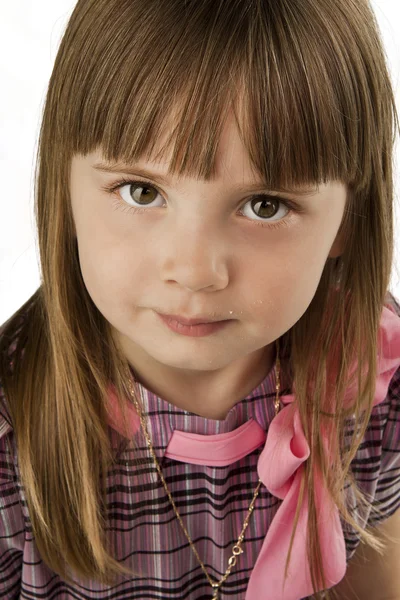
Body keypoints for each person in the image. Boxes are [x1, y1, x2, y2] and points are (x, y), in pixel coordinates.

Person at [0, 0, 400, 598]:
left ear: (347, 218)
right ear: (64, 186)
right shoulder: (13, 451)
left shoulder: (375, 389)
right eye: (141, 191)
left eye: (264, 205)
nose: (193, 271)